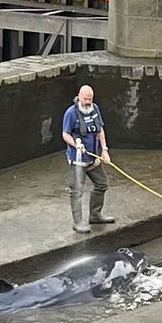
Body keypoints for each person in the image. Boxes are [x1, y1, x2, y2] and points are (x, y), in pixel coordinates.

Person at [62, 85, 115, 234]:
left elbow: (100, 130)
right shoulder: (71, 113)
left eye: (90, 98)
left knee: (102, 183)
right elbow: (65, 134)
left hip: (93, 156)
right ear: (79, 96)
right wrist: (75, 144)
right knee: (77, 191)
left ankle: (95, 214)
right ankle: (78, 222)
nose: (88, 101)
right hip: (78, 159)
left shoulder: (95, 109)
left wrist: (104, 150)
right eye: (85, 98)